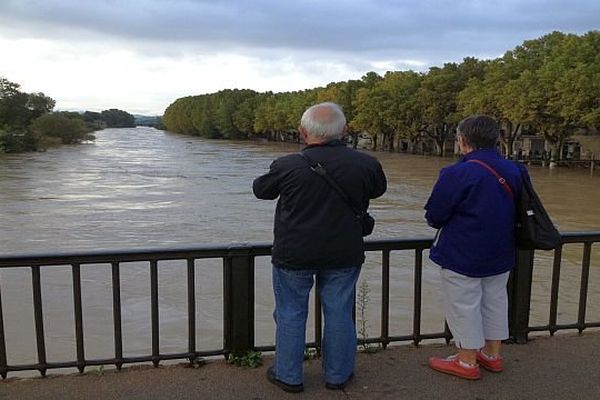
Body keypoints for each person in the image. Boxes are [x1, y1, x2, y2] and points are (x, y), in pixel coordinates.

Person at [253, 102, 387, 392]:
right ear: (345, 130)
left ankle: (289, 376)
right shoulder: (366, 164)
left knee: (291, 312)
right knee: (339, 311)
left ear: (302, 132)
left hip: (294, 252)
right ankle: (338, 375)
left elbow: (260, 190)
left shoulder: (287, 165)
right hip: (344, 251)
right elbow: (378, 190)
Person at [424, 115, 524, 380]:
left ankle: (467, 361)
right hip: (502, 249)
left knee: (463, 304)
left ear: (463, 141)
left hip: (462, 251)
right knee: (495, 300)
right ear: (497, 140)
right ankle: (492, 355)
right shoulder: (515, 170)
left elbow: (435, 214)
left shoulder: (457, 173)